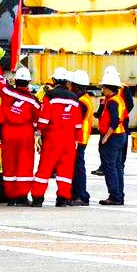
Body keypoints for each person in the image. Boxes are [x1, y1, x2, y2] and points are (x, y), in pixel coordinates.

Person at [0, 67, 41, 206]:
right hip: (25, 132)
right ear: (28, 82)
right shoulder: (33, 101)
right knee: (25, 164)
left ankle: (11, 197)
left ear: (16, 80)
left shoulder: (7, 92)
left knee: (9, 163)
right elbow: (39, 120)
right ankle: (21, 197)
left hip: (8, 131)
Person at [34, 68, 81, 207]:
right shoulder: (74, 97)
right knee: (65, 171)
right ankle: (63, 199)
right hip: (69, 140)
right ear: (66, 81)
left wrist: (38, 131)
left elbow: (44, 119)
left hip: (52, 138)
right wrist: (76, 139)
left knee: (44, 169)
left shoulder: (50, 95)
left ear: (54, 81)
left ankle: (37, 198)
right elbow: (78, 123)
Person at [93, 67, 129, 205]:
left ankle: (114, 195)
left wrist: (106, 136)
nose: (102, 89)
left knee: (110, 166)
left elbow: (114, 121)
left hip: (113, 137)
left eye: (104, 86)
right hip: (121, 135)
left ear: (109, 87)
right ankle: (119, 195)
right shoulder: (118, 99)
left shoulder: (112, 102)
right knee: (118, 166)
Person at [69, 69, 95, 206]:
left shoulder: (82, 102)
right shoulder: (85, 98)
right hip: (81, 138)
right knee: (77, 167)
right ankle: (77, 194)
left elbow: (75, 120)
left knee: (78, 168)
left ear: (76, 86)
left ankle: (81, 195)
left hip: (79, 139)